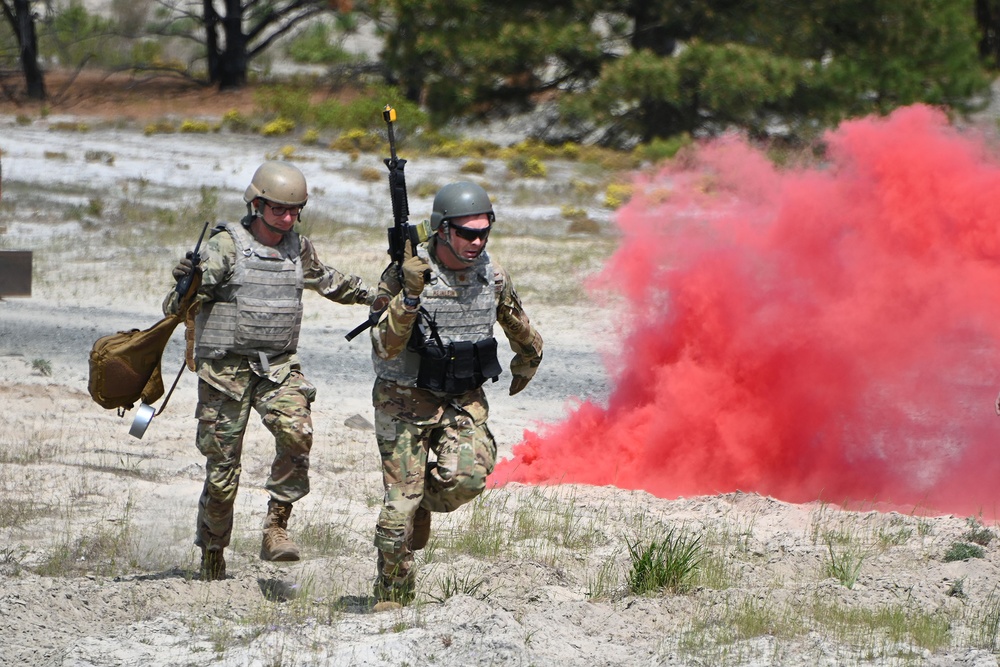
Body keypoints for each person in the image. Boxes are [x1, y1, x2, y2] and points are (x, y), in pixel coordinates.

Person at [166, 161, 375, 581]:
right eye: (280, 209)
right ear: (257, 204)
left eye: (295, 210)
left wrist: (378, 295)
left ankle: (276, 526)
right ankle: (212, 555)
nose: (288, 218)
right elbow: (174, 309)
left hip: (277, 369)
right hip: (224, 374)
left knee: (298, 432)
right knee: (223, 474)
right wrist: (188, 284)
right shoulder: (226, 247)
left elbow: (331, 281)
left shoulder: (298, 248)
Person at [368, 181, 543, 609]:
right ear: (442, 230)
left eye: (484, 232)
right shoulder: (405, 272)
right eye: (467, 233)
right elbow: (384, 345)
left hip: (462, 397)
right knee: (395, 515)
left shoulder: (491, 273)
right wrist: (409, 296)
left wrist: (529, 355)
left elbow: (513, 317)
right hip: (404, 400)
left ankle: (423, 502)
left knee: (468, 478)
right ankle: (393, 591)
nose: (477, 241)